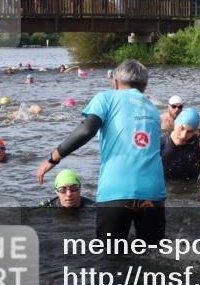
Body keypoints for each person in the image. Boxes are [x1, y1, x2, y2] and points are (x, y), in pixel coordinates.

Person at [35, 59, 165, 243]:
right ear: (144, 86)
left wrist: (53, 159)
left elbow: (87, 130)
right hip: (153, 191)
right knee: (153, 255)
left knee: (110, 259)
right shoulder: (152, 108)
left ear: (115, 82)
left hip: (117, 191)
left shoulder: (106, 98)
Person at [160, 107, 200, 182]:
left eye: (189, 131)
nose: (183, 135)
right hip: (165, 189)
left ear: (196, 131)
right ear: (175, 125)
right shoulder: (160, 143)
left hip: (191, 191)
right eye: (181, 128)